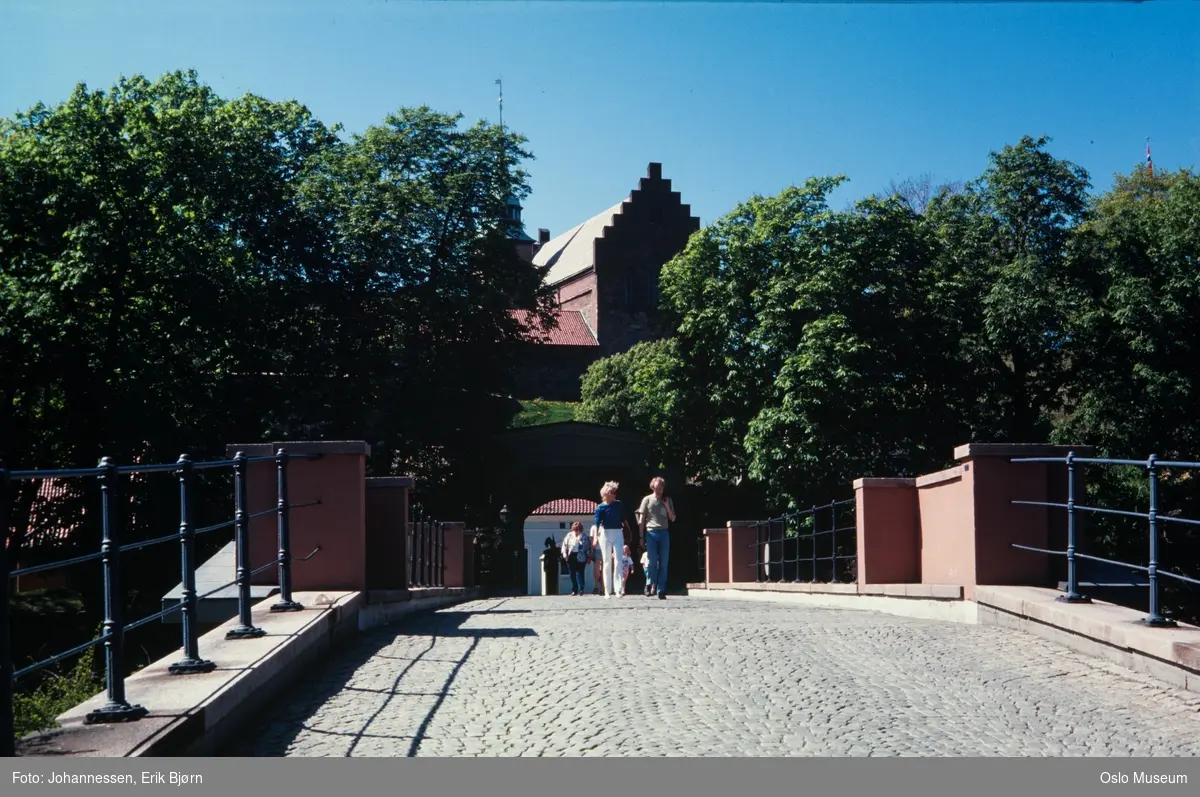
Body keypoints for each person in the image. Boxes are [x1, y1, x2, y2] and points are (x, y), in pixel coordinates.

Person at [638, 477, 676, 600]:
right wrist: (641, 537)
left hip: (664, 533)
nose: (659, 490)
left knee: (664, 563)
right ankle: (649, 584)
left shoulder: (668, 500)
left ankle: (661, 590)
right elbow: (641, 520)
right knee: (652, 562)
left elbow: (673, 518)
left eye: (661, 488)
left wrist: (667, 506)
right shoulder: (647, 500)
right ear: (653, 487)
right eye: (657, 488)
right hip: (651, 532)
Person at [592, 481, 629, 599]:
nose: (615, 495)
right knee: (607, 561)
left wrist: (629, 530)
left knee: (618, 560)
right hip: (605, 534)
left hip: (618, 532)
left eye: (615, 492)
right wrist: (595, 538)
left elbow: (623, 518)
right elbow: (597, 524)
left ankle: (618, 589)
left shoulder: (618, 504)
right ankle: (607, 590)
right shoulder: (600, 508)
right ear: (606, 493)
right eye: (613, 492)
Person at [560, 522, 591, 596]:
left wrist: (588, 556)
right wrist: (564, 554)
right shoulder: (569, 535)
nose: (576, 531)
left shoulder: (584, 536)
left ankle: (581, 589)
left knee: (580, 573)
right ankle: (574, 590)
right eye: (574, 529)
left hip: (581, 556)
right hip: (571, 556)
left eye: (577, 529)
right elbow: (564, 545)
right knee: (572, 574)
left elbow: (587, 547)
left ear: (581, 529)